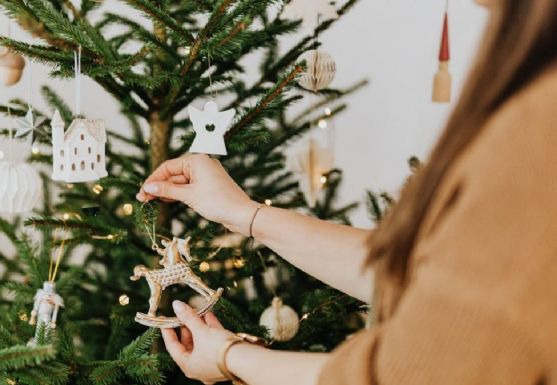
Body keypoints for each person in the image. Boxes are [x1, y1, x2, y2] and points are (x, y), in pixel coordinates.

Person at [135, 0, 557, 383]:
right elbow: (418, 279)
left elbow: (411, 374)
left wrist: (232, 356)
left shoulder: (538, 125)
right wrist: (242, 214)